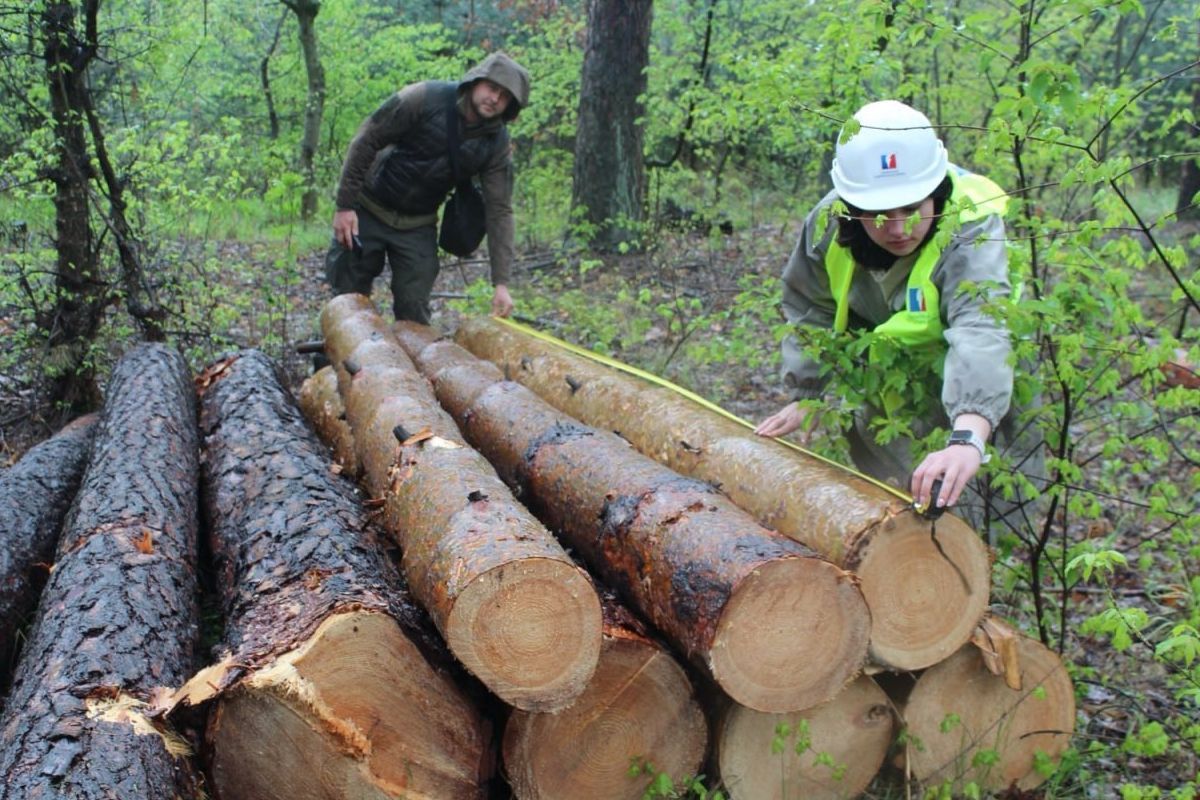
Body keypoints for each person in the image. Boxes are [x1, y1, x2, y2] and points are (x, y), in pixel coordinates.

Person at [755, 100, 1041, 532]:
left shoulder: (970, 226)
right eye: (880, 213)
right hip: (888, 379)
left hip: (984, 379)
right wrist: (808, 391)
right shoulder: (828, 225)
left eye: (913, 208)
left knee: (988, 510)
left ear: (936, 192)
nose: (898, 228)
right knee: (894, 506)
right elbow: (810, 306)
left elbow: (980, 327)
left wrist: (967, 437)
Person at [326, 52, 530, 323]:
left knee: (414, 308)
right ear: (477, 81)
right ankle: (332, 361)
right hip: (368, 209)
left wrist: (501, 283)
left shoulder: (496, 144)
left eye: (504, 96)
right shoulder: (423, 97)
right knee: (347, 300)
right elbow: (366, 139)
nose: (495, 99)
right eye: (492, 88)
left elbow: (500, 210)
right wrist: (345, 206)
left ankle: (407, 365)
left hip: (417, 225)